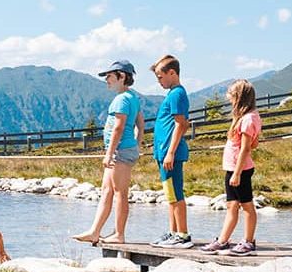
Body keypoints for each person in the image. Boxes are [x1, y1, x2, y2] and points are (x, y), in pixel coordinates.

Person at [71, 60, 142, 245]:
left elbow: (118, 128)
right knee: (107, 191)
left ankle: (119, 234)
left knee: (120, 193)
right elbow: (140, 123)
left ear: (122, 76)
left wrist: (109, 153)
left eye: (110, 76)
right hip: (123, 149)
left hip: (119, 151)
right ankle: (94, 231)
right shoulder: (132, 97)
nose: (107, 80)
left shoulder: (122, 99)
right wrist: (137, 144)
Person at [201, 80, 261, 256]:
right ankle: (222, 240)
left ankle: (249, 242)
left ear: (240, 97)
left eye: (231, 96)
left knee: (247, 206)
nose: (229, 99)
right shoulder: (245, 118)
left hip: (239, 170)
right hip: (233, 169)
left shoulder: (248, 119)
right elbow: (254, 143)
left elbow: (246, 148)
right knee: (231, 205)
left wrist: (237, 173)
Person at [149, 55, 193, 247]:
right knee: (170, 194)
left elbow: (181, 124)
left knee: (176, 193)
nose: (159, 81)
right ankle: (173, 231)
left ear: (172, 73)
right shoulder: (172, 94)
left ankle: (183, 234)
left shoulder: (177, 94)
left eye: (160, 76)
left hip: (170, 153)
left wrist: (171, 152)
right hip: (163, 152)